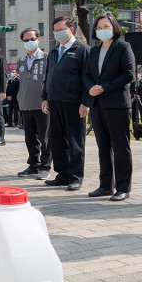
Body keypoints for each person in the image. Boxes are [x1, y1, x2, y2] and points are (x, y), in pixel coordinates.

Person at [83, 13, 135, 201]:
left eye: (106, 26)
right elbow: (86, 75)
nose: (102, 30)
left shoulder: (123, 47)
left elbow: (128, 74)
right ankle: (105, 185)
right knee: (103, 146)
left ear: (114, 27)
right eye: (99, 27)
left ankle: (123, 187)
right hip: (97, 104)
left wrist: (104, 87)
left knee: (121, 146)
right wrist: (91, 88)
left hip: (116, 104)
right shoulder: (93, 51)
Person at [41, 16, 90, 191]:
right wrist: (45, 97)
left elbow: (87, 79)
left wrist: (85, 102)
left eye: (62, 29)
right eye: (55, 30)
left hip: (73, 103)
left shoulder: (82, 50)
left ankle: (76, 176)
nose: (58, 33)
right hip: (55, 101)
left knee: (75, 141)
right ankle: (62, 175)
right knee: (57, 141)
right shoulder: (54, 52)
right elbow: (48, 77)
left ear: (71, 29)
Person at [15, 28, 52, 180]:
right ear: (22, 42)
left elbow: (50, 81)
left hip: (42, 104)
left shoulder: (47, 58)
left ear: (38, 40)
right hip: (26, 104)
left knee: (45, 138)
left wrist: (48, 98)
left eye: (32, 39)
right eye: (26, 40)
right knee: (30, 138)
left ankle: (45, 167)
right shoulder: (21, 61)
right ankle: (33, 165)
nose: (29, 42)